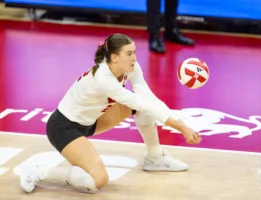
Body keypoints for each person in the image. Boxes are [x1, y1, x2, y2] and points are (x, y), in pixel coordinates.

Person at [20, 33, 202, 194]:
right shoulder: (103, 79)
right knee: (97, 181)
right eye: (129, 54)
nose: (134, 58)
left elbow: (147, 98)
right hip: (63, 127)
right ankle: (40, 170)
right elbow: (140, 102)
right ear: (114, 57)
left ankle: (154, 158)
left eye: (134, 52)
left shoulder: (130, 68)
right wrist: (181, 127)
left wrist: (180, 124)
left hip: (91, 123)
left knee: (143, 108)